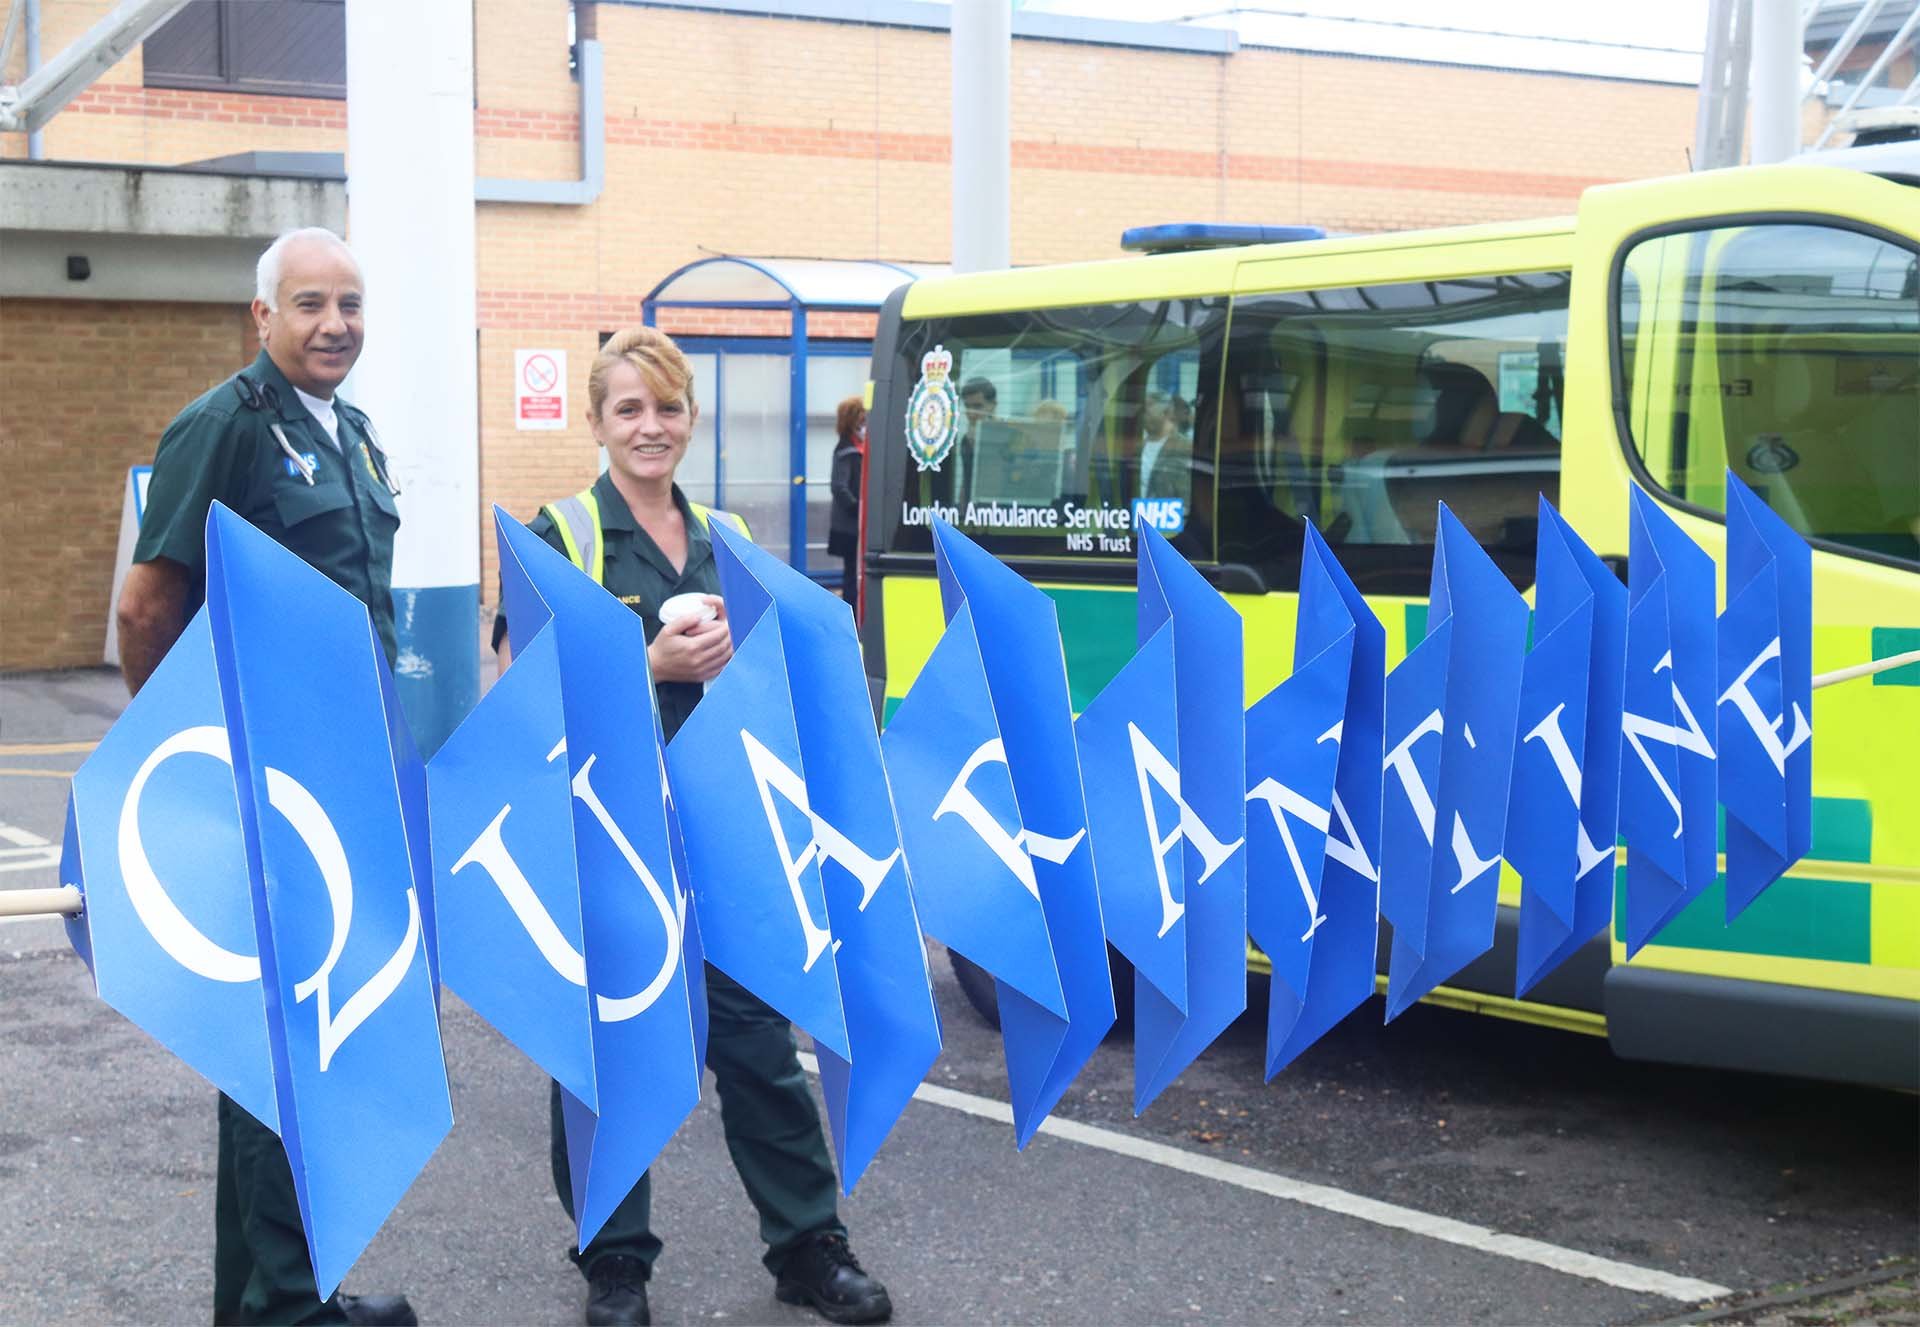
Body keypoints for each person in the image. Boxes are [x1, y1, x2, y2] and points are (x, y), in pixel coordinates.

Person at [491, 326, 893, 1327]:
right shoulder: (564, 536)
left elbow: (778, 682)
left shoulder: (726, 537)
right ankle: (614, 1262)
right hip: (613, 838)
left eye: (667, 407)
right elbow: (524, 698)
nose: (650, 426)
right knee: (615, 1046)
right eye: (628, 408)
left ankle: (809, 1245)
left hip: (724, 838)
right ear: (596, 423)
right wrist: (651, 669)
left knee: (758, 1043)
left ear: (689, 420)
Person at [115, 228, 415, 1327]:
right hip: (274, 783)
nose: (335, 322)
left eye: (349, 301)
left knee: (313, 1027)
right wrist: (190, 752)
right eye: (309, 304)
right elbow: (149, 606)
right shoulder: (225, 426)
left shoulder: (354, 434)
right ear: (262, 316)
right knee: (286, 1032)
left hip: (349, 776)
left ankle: (271, 1298)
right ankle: (290, 1300)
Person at [826, 395, 866, 606]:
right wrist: (859, 509)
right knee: (852, 572)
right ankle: (851, 611)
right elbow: (839, 487)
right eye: (861, 418)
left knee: (855, 570)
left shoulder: (859, 446)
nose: (864, 423)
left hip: (856, 524)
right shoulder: (845, 450)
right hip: (850, 526)